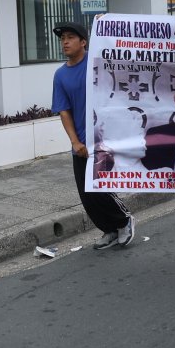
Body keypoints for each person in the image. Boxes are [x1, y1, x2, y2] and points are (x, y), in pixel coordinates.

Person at [51, 21, 135, 250]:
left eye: (70, 37)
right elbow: (63, 111)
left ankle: (124, 220)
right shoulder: (60, 75)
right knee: (86, 194)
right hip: (81, 144)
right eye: (62, 38)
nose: (65, 42)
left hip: (104, 137)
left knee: (101, 186)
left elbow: (119, 56)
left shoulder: (97, 62)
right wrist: (75, 141)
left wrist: (105, 25)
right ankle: (109, 229)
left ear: (84, 42)